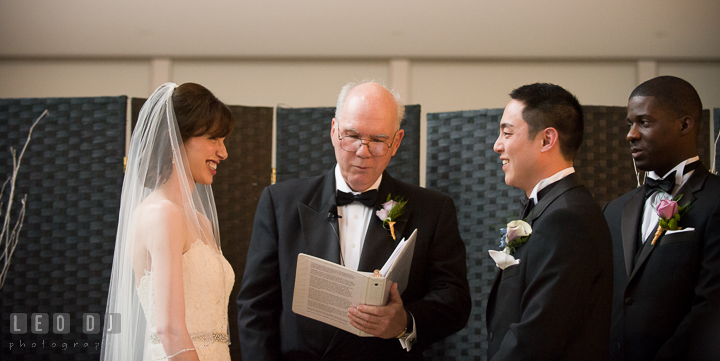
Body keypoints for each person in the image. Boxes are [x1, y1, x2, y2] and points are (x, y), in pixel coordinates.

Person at [237, 81, 471, 360]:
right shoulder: (280, 202)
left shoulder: (432, 209)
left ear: (396, 142)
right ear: (334, 131)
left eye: (378, 140)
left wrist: (404, 322)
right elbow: (255, 308)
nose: (363, 151)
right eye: (352, 135)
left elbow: (454, 300)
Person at [101, 82, 235, 361]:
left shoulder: (201, 223)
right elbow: (170, 329)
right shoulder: (162, 214)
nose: (223, 153)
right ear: (175, 138)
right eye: (213, 139)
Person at [486, 82, 613, 361]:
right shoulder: (551, 206)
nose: (497, 146)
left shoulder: (567, 218)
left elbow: (538, 336)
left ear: (546, 140)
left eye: (507, 133)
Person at [603, 76, 720, 361]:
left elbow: (712, 306)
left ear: (684, 125)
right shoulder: (614, 210)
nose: (631, 134)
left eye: (643, 122)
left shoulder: (716, 200)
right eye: (629, 124)